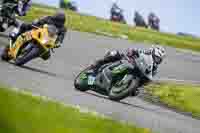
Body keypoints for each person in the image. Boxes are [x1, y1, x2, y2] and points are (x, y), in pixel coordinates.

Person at [90, 45, 166, 79]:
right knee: (115, 53)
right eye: (156, 57)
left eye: (159, 59)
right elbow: (133, 50)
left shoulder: (154, 69)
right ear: (152, 53)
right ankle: (98, 63)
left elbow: (149, 79)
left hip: (135, 74)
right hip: (128, 62)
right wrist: (131, 52)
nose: (157, 60)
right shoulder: (145, 53)